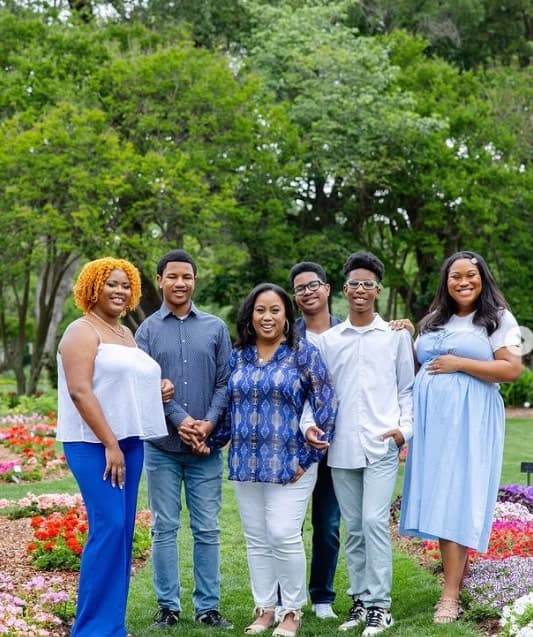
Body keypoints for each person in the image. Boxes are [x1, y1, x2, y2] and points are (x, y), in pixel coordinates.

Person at [399, 250, 521, 623]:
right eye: (455, 276)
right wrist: (406, 334)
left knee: (457, 499)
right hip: (433, 426)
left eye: (471, 274)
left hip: (470, 422)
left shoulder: (499, 319)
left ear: (482, 277)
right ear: (446, 281)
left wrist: (460, 364)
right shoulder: (435, 319)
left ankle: (450, 596)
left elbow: (512, 369)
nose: (463, 281)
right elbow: (421, 366)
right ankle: (453, 585)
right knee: (439, 499)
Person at [210, 283, 337, 637]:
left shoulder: (303, 354)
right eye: (260, 310)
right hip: (246, 464)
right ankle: (265, 608)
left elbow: (327, 405)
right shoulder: (238, 356)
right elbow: (227, 409)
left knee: (283, 533)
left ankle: (292, 611)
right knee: (257, 537)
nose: (267, 317)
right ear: (250, 315)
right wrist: (208, 439)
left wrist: (308, 455)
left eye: (275, 310)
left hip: (291, 464)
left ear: (287, 316)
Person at [56, 257, 171, 637]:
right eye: (112, 284)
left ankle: (113, 626)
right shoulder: (81, 330)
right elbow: (79, 390)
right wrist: (110, 444)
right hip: (94, 444)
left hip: (128, 443)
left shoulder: (124, 333)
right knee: (110, 526)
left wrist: (158, 388)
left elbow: (120, 386)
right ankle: (90, 629)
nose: (120, 291)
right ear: (93, 287)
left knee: (121, 534)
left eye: (126, 285)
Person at [315, 251, 415, 636]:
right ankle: (360, 600)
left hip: (381, 444)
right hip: (341, 449)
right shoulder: (329, 341)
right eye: (354, 283)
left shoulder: (395, 337)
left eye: (368, 284)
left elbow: (407, 390)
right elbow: (318, 393)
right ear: (344, 289)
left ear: (377, 290)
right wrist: (313, 426)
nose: (360, 289)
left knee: (374, 521)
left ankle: (381, 606)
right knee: (354, 527)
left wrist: (404, 430)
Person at [135, 249, 233, 629]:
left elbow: (225, 382)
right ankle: (168, 607)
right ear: (159, 280)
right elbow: (144, 387)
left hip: (205, 450)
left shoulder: (214, 328)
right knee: (164, 527)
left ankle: (208, 607)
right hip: (161, 447)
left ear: (195, 280)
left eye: (187, 276)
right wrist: (182, 421)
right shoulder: (145, 331)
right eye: (172, 276)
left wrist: (207, 424)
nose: (180, 283)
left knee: (207, 528)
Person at [288, 261, 342, 620]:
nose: (307, 292)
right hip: (292, 444)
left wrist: (404, 325)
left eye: (313, 285)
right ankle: (282, 597)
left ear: (327, 289)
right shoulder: (285, 334)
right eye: (300, 288)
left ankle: (322, 596)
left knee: (328, 523)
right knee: (286, 524)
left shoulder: (350, 329)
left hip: (337, 443)